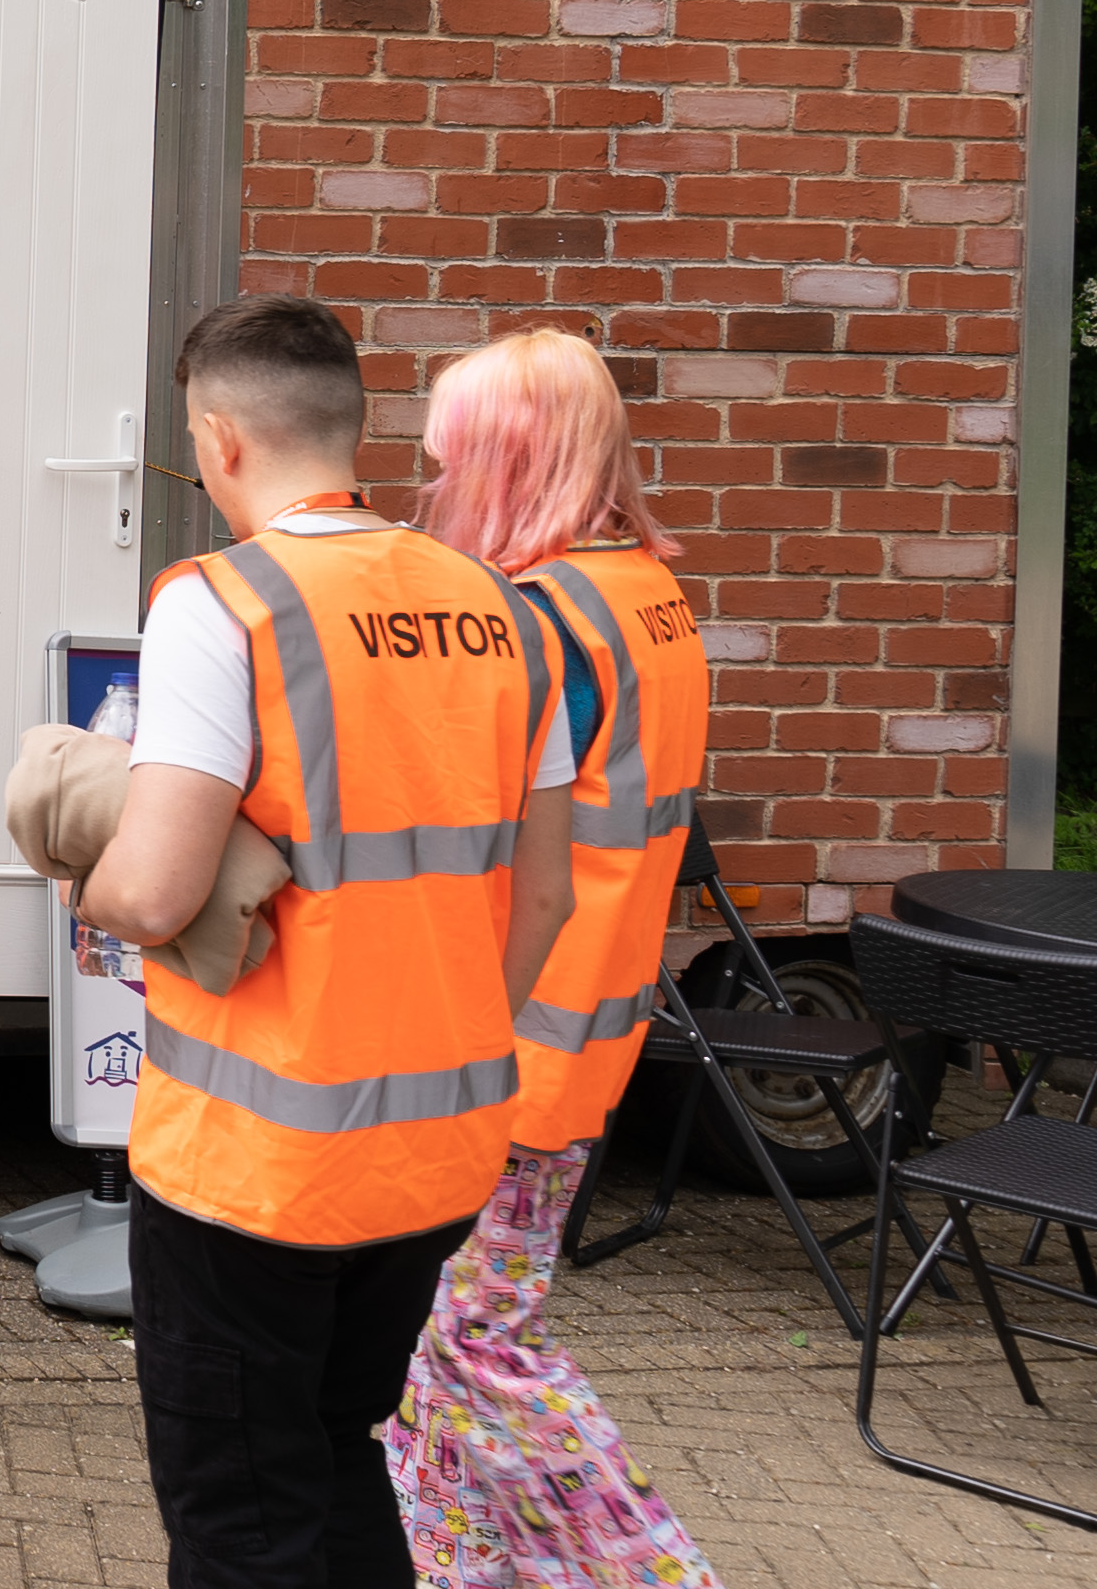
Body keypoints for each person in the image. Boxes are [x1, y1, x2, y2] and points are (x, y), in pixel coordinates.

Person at [76, 295, 579, 1589]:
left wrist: (85, 873)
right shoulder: (509, 614)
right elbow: (544, 900)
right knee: (338, 1457)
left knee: (242, 1519)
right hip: (434, 1156)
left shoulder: (222, 604)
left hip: (255, 1170)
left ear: (218, 439)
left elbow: (153, 891)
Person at [386, 331, 723, 1588]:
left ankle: (655, 1572)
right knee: (431, 1346)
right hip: (585, 1016)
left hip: (508, 1033)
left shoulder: (535, 620)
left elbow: (461, 820)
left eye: (451, 458)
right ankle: (456, 1568)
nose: (432, 481)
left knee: (472, 1340)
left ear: (509, 461)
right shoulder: (639, 592)